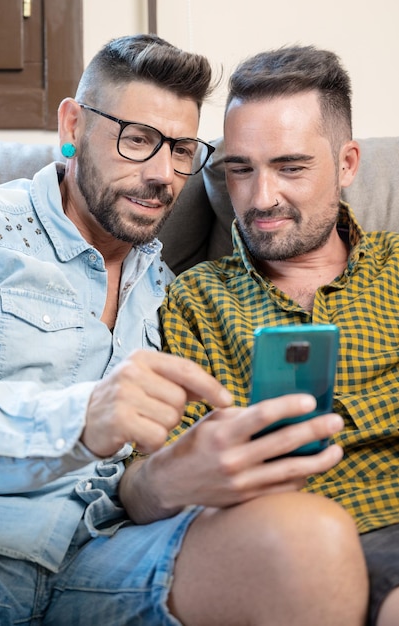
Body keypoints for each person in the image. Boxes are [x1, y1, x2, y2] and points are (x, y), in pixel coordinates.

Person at [0, 34, 368, 625]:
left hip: (109, 555)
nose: (164, 175)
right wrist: (81, 418)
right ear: (74, 125)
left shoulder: (166, 288)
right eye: (137, 139)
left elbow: (150, 482)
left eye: (183, 150)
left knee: (308, 539)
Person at [159, 43, 399, 626]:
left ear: (346, 164)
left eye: (290, 167)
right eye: (240, 169)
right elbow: (179, 471)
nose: (261, 198)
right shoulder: (196, 299)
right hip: (287, 549)